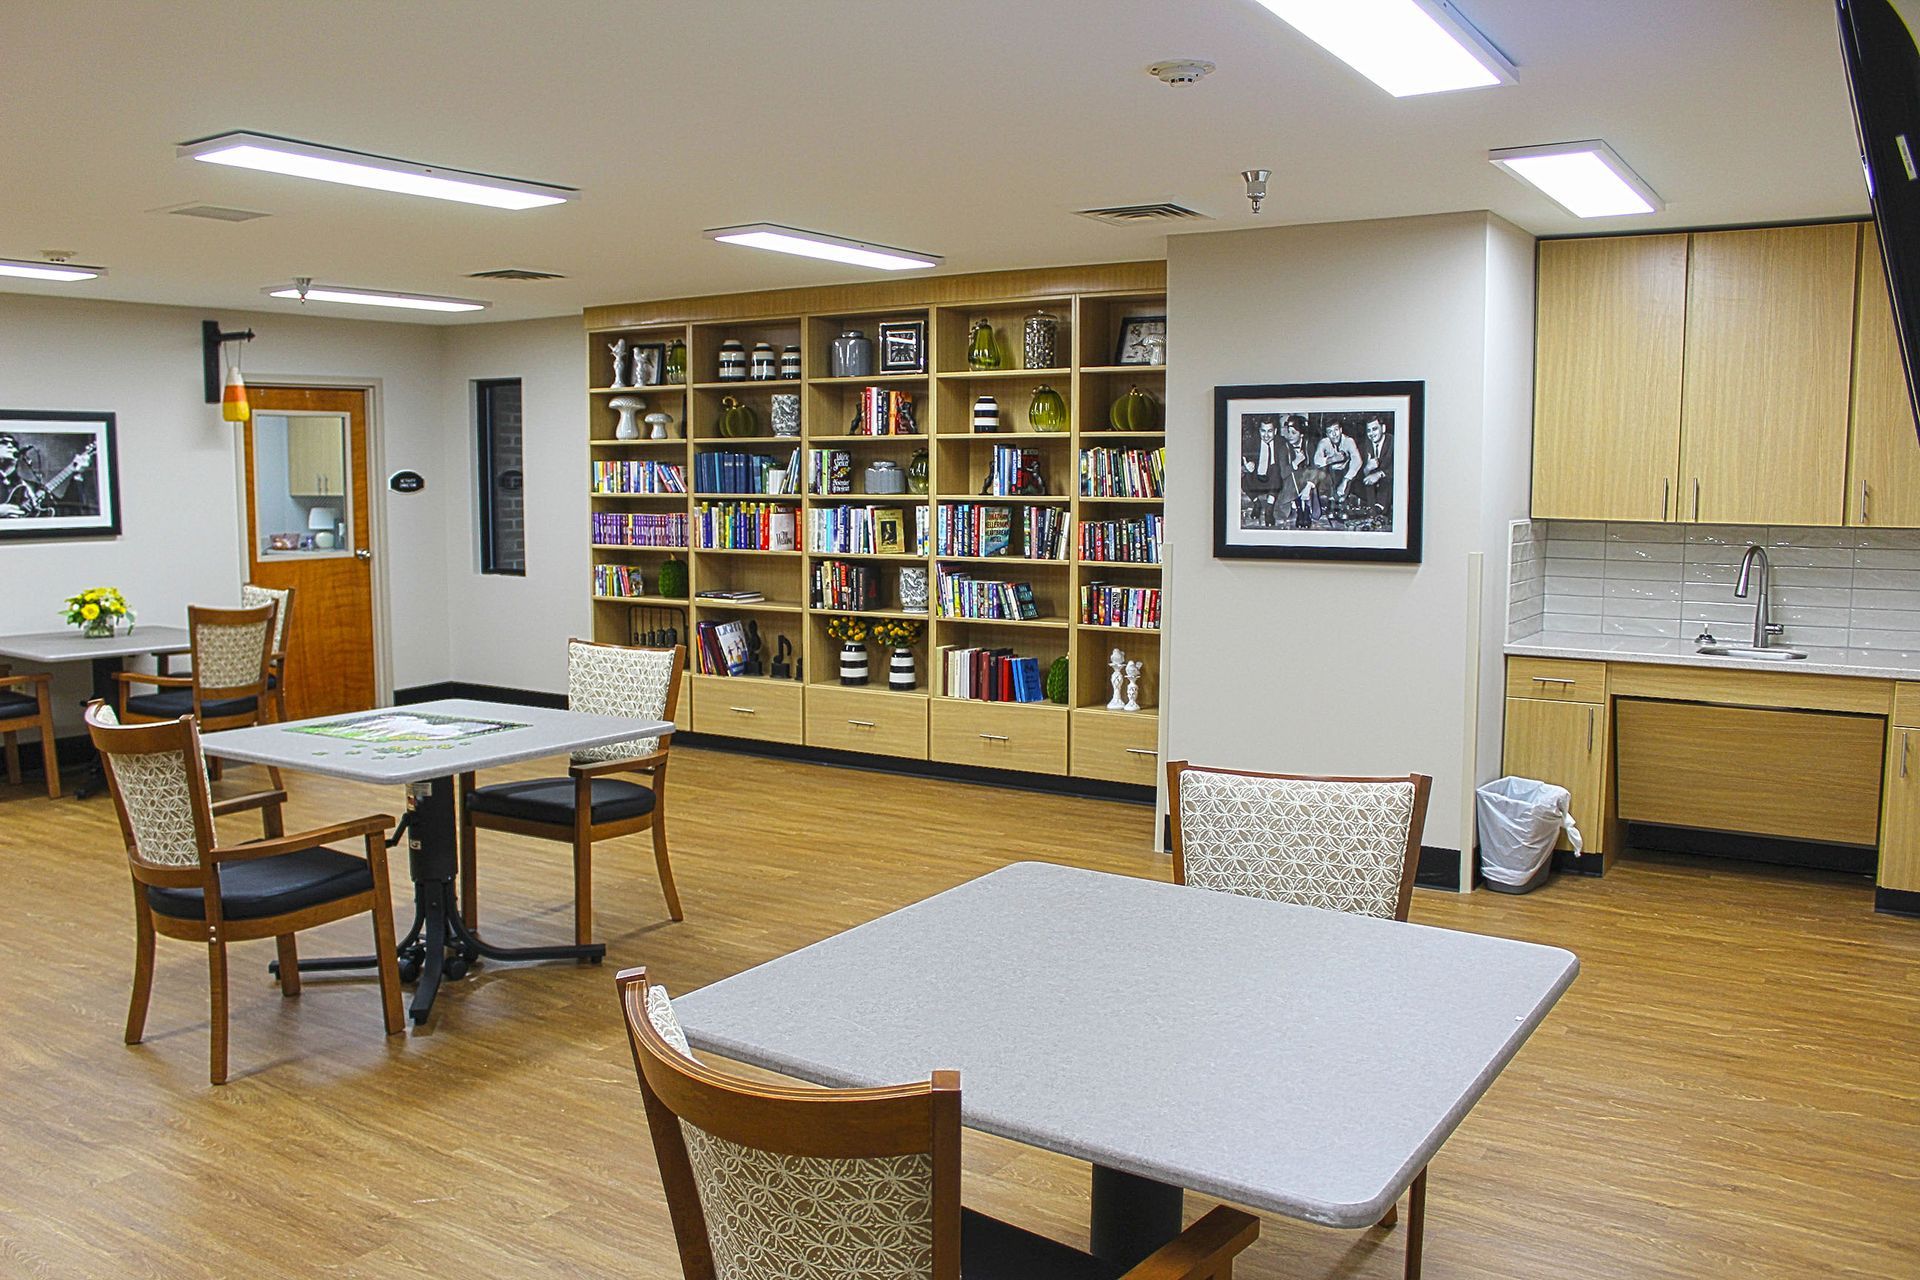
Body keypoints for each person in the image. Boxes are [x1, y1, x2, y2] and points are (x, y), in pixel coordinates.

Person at [1240, 415, 1287, 527]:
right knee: (1243, 478)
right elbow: (1235, 463)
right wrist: (1245, 467)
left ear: (1275, 431)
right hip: (1256, 479)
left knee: (1275, 468)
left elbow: (1286, 466)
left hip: (1273, 481)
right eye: (1263, 431)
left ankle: (1269, 510)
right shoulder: (1251, 443)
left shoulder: (1281, 443)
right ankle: (1257, 503)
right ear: (1259, 431)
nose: (1266, 435)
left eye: (1269, 431)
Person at [1312, 417, 1363, 518]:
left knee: (1351, 468)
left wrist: (1345, 481)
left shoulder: (1349, 441)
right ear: (1327, 434)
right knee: (1323, 470)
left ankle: (1342, 502)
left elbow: (1358, 461)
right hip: (1332, 473)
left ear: (1341, 430)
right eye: (1330, 432)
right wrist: (1332, 459)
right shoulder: (1324, 442)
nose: (1334, 434)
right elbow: (1316, 461)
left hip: (1346, 473)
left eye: (1336, 430)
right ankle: (1332, 502)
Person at [0, 434, 52, 517]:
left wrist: (74, 476)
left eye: (14, 444)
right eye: (3, 442)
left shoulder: (31, 487)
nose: (10, 446)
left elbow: (63, 507)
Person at [1356, 415, 1393, 522]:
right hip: (1370, 490)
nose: (1371, 434)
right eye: (1369, 430)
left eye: (1375, 429)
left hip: (1389, 485)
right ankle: (1372, 512)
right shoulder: (1363, 445)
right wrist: (1367, 468)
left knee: (1387, 480)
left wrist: (1379, 474)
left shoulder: (1394, 442)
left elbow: (1401, 468)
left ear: (1383, 428)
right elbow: (1359, 473)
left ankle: (1379, 511)